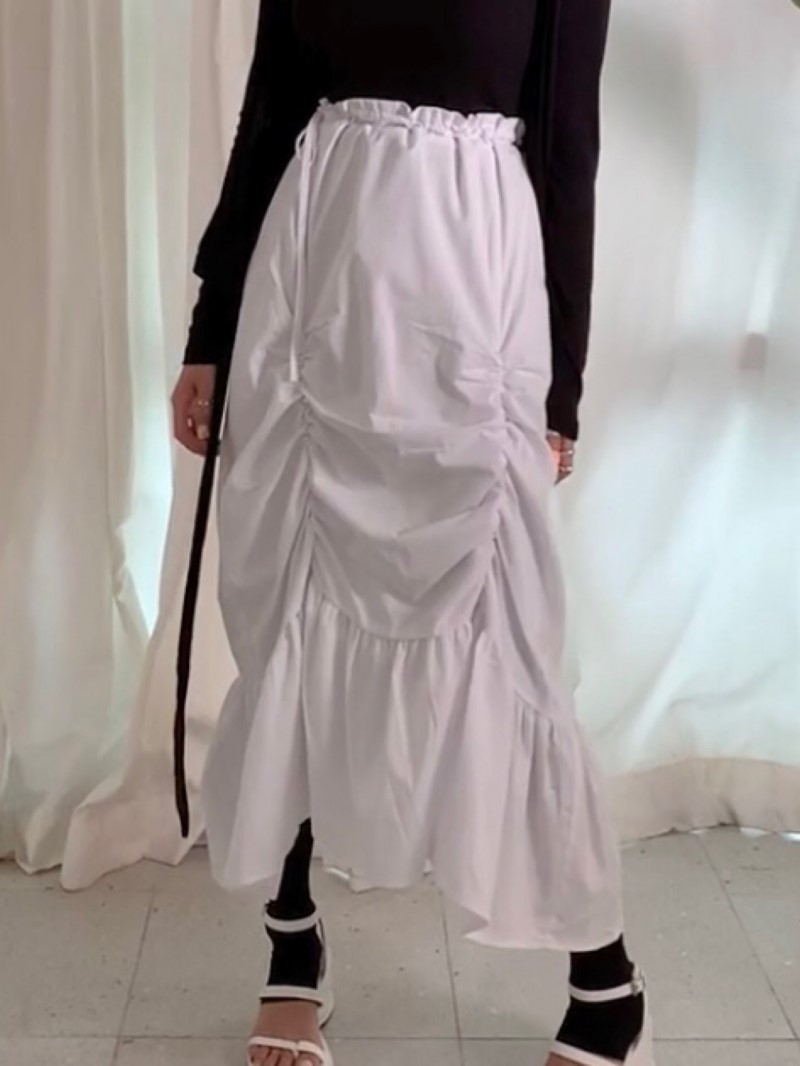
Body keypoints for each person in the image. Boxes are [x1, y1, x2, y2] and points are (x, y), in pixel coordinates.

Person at [171, 2, 654, 1064]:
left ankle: (606, 982)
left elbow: (566, 145)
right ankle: (292, 945)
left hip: (471, 307)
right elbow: (269, 112)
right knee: (293, 612)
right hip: (311, 302)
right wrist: (211, 331)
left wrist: (560, 391)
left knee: (510, 638)